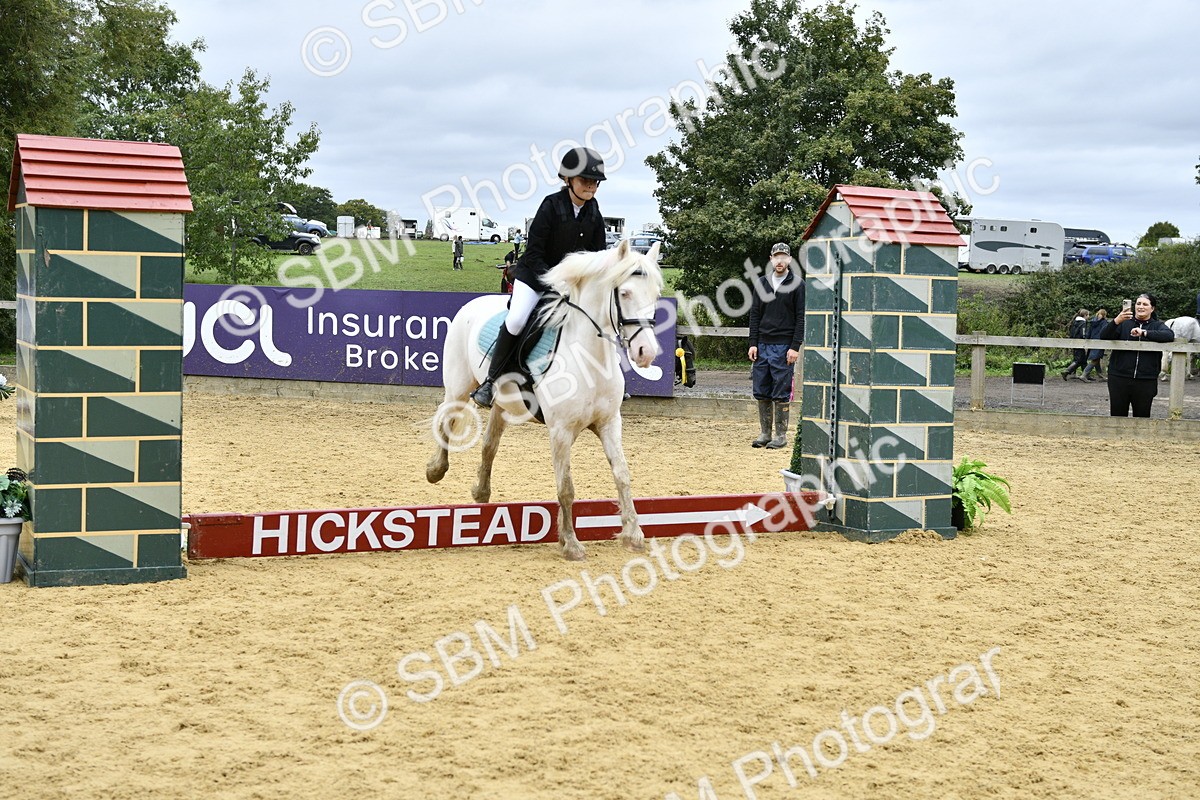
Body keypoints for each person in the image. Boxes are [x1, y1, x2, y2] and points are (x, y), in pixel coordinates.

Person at [469, 147, 607, 408]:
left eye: (594, 182)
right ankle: (491, 380)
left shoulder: (594, 211)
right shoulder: (550, 206)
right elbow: (533, 254)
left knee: (596, 318)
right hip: (534, 277)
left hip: (570, 286)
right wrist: (556, 281)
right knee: (518, 319)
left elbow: (597, 254)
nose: (591, 186)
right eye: (585, 180)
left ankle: (604, 383)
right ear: (568, 180)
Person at [748, 243, 804, 449]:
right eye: (776, 257)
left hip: (784, 347)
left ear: (789, 260)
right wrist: (753, 343)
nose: (780, 261)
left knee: (781, 391)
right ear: (771, 259)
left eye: (784, 257)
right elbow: (754, 315)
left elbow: (800, 318)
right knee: (761, 390)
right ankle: (765, 433)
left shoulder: (798, 285)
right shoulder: (761, 284)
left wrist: (795, 346)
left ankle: (780, 435)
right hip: (762, 345)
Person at [1100, 293, 1174, 417]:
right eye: (1138, 304)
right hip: (1119, 377)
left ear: (1152, 308)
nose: (1140, 307)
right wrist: (1116, 321)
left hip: (1145, 379)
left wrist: (1144, 333)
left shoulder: (1157, 325)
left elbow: (1168, 335)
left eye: (1145, 304)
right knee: (1117, 415)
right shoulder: (1124, 323)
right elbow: (1104, 336)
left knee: (1142, 416)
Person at [1061, 308, 1090, 380]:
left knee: (1083, 359)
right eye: (1088, 315)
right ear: (1085, 315)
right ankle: (1067, 371)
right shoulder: (1083, 323)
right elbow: (1082, 333)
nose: (1089, 316)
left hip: (1074, 341)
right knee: (1078, 360)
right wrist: (1085, 338)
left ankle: (1085, 375)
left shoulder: (1075, 322)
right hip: (1080, 342)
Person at [1081, 308, 1108, 381]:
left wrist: (1087, 339)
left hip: (1092, 341)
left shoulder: (1092, 322)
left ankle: (1100, 375)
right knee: (1095, 360)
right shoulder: (1104, 322)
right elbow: (1104, 332)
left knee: (1097, 358)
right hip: (1099, 342)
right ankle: (1084, 374)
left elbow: (1089, 332)